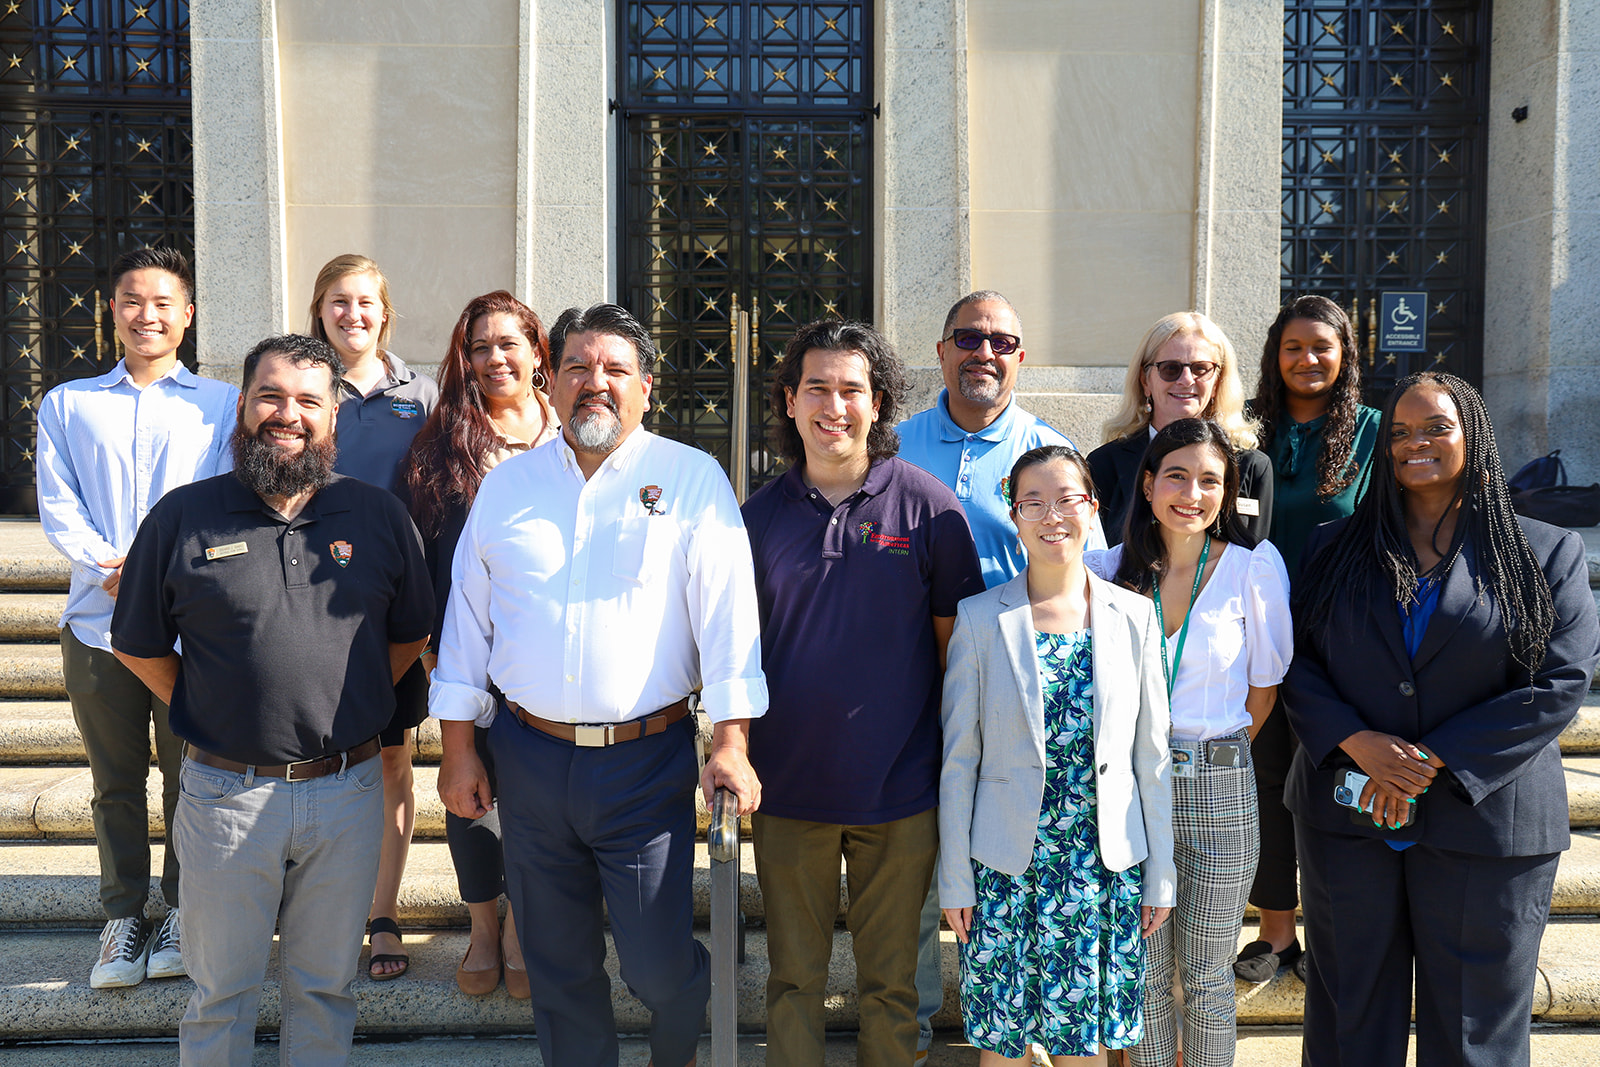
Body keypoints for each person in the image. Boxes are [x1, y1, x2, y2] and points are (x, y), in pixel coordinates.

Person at [430, 302, 765, 1067]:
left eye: (616, 368)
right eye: (578, 366)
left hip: (644, 764)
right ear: (551, 382)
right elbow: (466, 625)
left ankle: (677, 1050)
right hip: (529, 758)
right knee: (558, 967)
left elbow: (729, 619)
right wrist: (458, 747)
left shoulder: (690, 477)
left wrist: (732, 740)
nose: (595, 382)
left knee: (658, 967)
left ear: (646, 386)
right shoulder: (507, 487)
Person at [108, 333, 434, 1065]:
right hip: (226, 796)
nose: (288, 414)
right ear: (243, 407)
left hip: (348, 792)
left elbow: (412, 631)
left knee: (324, 989)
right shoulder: (183, 516)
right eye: (270, 396)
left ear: (333, 416)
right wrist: (207, 705)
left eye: (308, 401)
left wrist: (352, 698)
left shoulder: (378, 515)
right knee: (220, 994)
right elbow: (135, 641)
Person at [1286, 371, 1600, 1067]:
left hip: (1488, 821)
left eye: (1435, 427)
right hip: (1348, 817)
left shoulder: (1546, 552)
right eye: (1399, 431)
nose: (1414, 443)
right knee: (1349, 1020)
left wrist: (1430, 762)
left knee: (1473, 1031)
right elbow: (1296, 663)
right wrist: (1358, 742)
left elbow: (1561, 680)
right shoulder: (1333, 548)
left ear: (1474, 436)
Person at [742, 319, 985, 1067]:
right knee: (793, 981)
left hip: (901, 794)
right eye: (816, 387)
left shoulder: (930, 508)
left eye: (852, 389)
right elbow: (735, 655)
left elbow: (956, 656)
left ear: (878, 403)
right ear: (789, 400)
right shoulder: (755, 517)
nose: (834, 406)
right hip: (788, 792)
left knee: (894, 989)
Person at [35, 246, 238, 988]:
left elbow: (224, 497)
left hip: (191, 625)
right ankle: (123, 915)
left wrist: (160, 573)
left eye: (162, 303)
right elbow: (58, 503)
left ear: (187, 315)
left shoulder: (220, 404)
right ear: (112, 311)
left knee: (191, 777)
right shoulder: (68, 403)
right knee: (113, 779)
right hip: (97, 622)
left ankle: (184, 909)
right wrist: (111, 565)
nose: (146, 315)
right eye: (131, 301)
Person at [939, 444, 1175, 1066]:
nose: (1052, 515)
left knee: (1083, 1048)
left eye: (1068, 498)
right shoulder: (979, 619)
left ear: (1093, 508)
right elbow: (959, 762)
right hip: (1004, 868)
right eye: (1034, 502)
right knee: (1003, 1047)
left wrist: (1161, 873)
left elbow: (1151, 759)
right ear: (1014, 516)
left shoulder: (1135, 616)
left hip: (1101, 870)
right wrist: (955, 875)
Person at [1084, 418, 1292, 1067]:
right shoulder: (1103, 571)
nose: (1192, 494)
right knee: (1143, 977)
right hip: (1127, 793)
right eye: (1176, 476)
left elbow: (1263, 692)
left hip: (1218, 789)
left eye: (1210, 480)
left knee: (1206, 978)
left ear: (1227, 491)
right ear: (1148, 484)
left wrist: (1203, 755)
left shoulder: (1254, 568)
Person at [403, 290, 559, 998]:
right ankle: (483, 927)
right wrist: (436, 654)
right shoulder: (443, 444)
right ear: (463, 360)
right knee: (470, 789)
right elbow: (421, 555)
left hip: (552, 655)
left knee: (536, 797)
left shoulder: (573, 431)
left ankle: (524, 925)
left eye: (508, 343)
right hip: (467, 653)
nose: (495, 358)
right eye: (479, 347)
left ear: (536, 350)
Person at [1234, 295, 1382, 984]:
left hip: (1339, 640)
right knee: (1264, 781)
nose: (1308, 359)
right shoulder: (1244, 431)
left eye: (1322, 346)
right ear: (1275, 355)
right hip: (1254, 636)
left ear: (1345, 354)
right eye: (1293, 347)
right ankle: (1276, 933)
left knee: (1334, 779)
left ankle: (1335, 929)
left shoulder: (1375, 431)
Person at [308, 252, 439, 979]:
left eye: (365, 302)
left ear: (385, 313)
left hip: (393, 604)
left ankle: (382, 913)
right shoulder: (303, 383)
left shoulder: (422, 391)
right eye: (339, 300)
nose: (352, 314)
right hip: (308, 599)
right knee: (312, 762)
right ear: (319, 310)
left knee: (392, 759)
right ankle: (318, 910)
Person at [1087, 312, 1271, 546]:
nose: (1186, 380)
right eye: (1170, 369)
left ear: (1217, 382)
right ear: (1145, 380)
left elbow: (1254, 557)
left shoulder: (1251, 467)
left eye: (1200, 369)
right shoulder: (1104, 465)